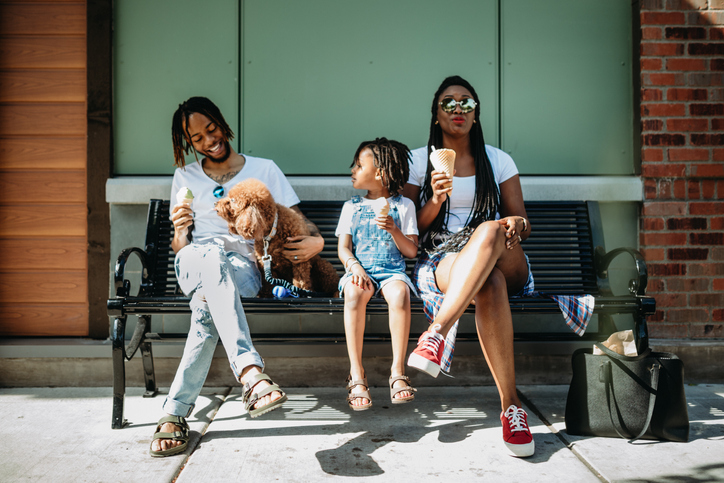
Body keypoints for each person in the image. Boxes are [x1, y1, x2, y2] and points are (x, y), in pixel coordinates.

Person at [149, 96, 324, 457]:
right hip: (193, 261)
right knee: (210, 253)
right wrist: (181, 231)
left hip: (244, 270)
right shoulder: (185, 176)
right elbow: (180, 246)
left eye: (210, 129)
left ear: (221, 123)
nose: (207, 140)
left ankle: (174, 414)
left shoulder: (264, 169)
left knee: (205, 307)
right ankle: (250, 373)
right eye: (196, 138)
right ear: (188, 143)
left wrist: (318, 242)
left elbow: (298, 224)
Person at [402, 76, 536, 458]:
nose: (458, 109)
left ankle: (436, 332)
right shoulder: (416, 160)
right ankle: (512, 408)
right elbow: (411, 230)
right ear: (435, 114)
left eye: (467, 103)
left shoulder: (498, 160)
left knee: (491, 230)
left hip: (503, 252)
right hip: (444, 257)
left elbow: (523, 222)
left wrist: (515, 224)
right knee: (487, 283)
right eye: (449, 103)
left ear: (476, 115)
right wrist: (436, 198)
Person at [336, 138, 419, 410]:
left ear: (381, 172)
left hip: (392, 271)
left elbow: (411, 252)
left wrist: (395, 230)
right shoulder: (352, 207)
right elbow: (344, 249)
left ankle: (397, 372)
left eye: (359, 165)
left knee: (400, 294)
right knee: (353, 293)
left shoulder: (404, 206)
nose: (352, 169)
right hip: (360, 270)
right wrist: (355, 267)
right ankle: (357, 374)